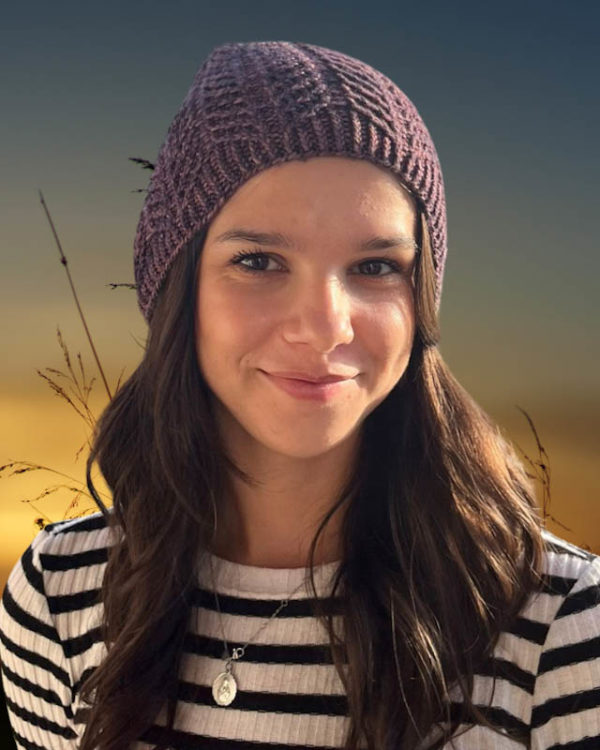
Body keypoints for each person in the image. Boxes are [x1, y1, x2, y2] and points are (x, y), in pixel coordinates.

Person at [0, 40, 599, 750]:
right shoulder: (60, 594)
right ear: (177, 287)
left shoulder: (563, 625)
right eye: (259, 261)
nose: (324, 325)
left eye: (376, 266)